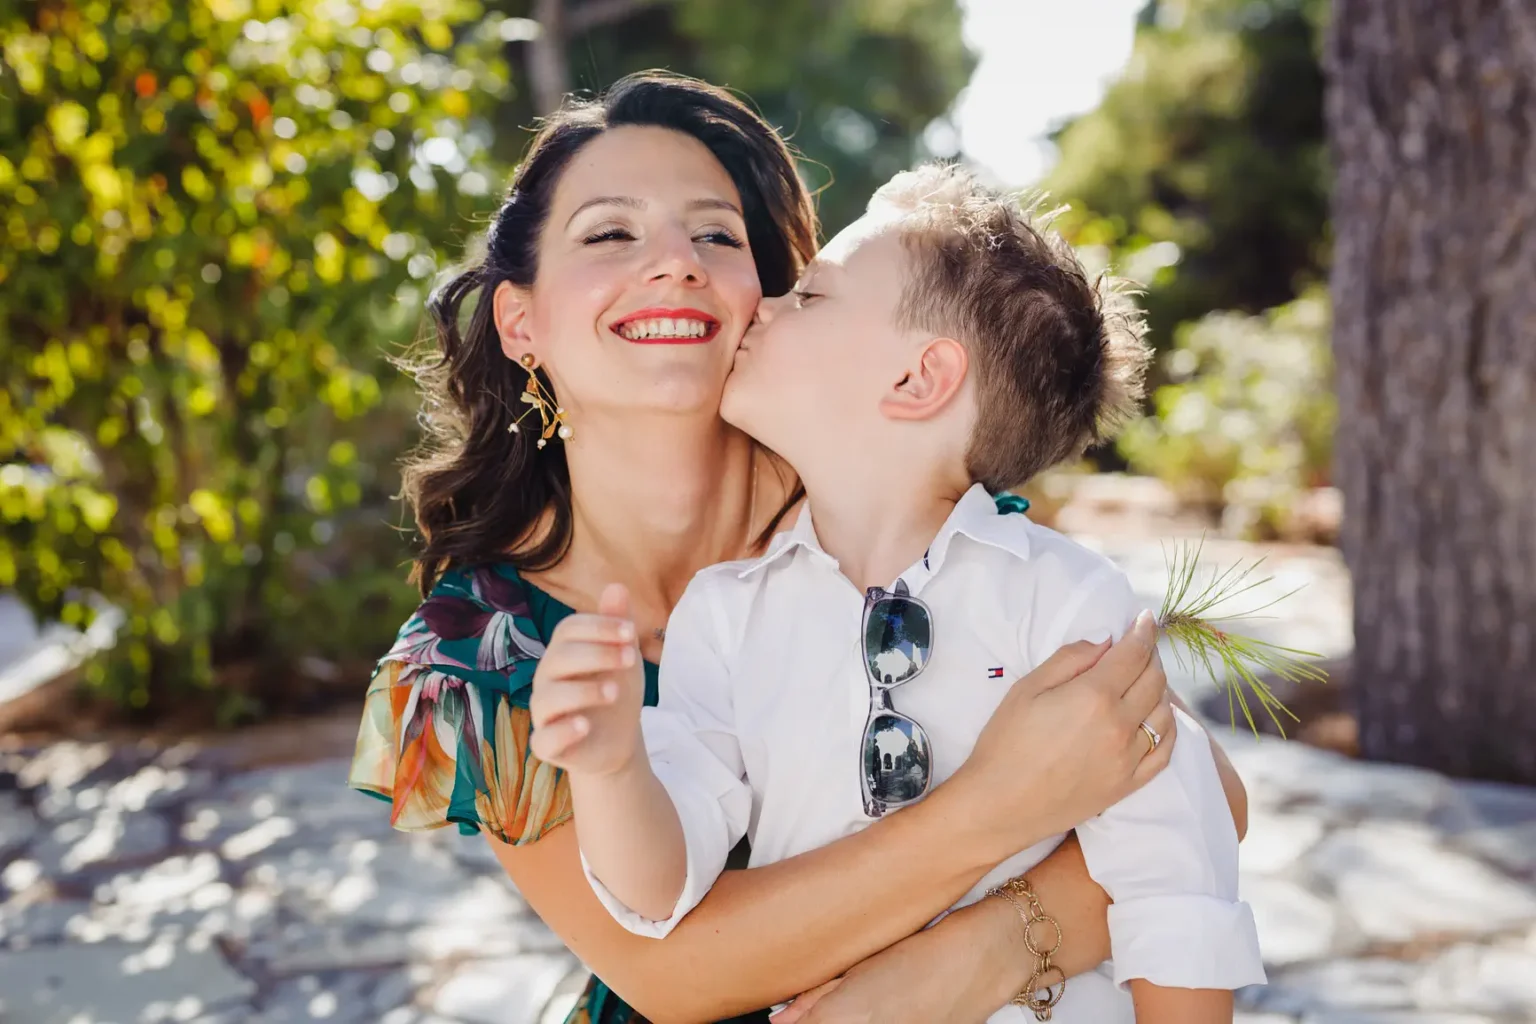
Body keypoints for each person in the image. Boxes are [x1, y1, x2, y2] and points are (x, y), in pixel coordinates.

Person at [349, 71, 1250, 1024]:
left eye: (717, 235)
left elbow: (1195, 798)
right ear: (520, 321)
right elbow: (674, 974)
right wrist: (993, 810)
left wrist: (977, 956)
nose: (675, 263)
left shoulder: (890, 502)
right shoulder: (476, 655)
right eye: (612, 232)